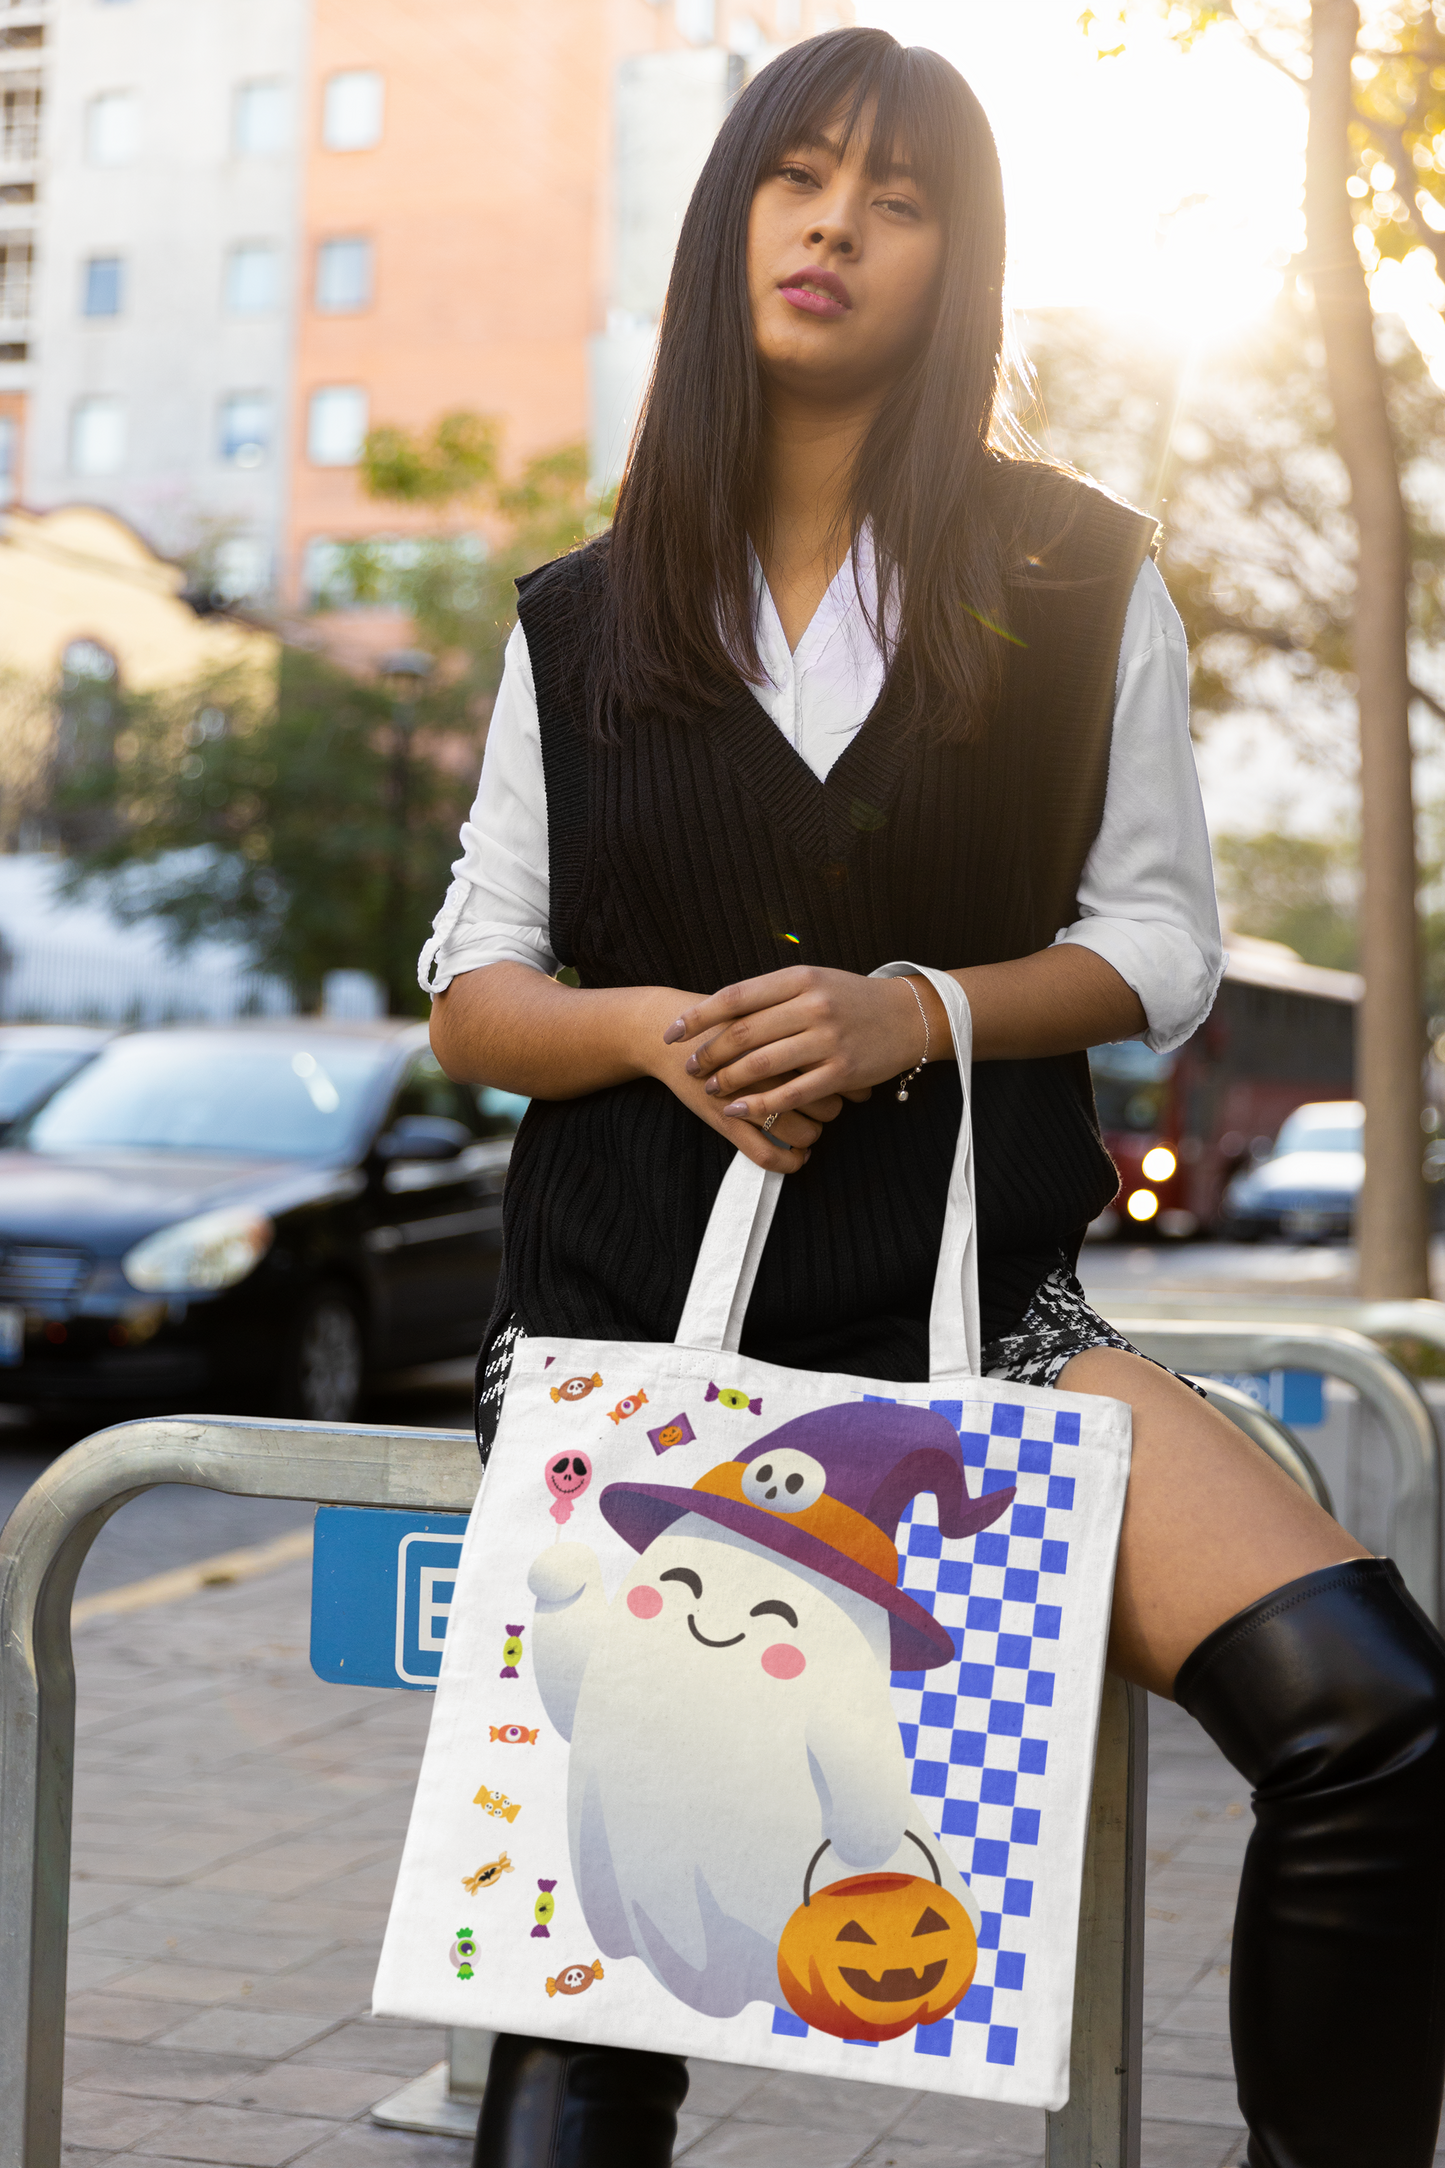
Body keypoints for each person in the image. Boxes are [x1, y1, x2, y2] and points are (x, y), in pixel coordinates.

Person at [422, 28, 1445, 2168]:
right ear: (729, 234)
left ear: (954, 263)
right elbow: (471, 987)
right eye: (797, 178)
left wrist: (916, 1013)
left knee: (1371, 1720)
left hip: (971, 1329)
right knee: (590, 1974)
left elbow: (1155, 947)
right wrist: (646, 1032)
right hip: (636, 1352)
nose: (835, 225)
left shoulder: (1081, 574)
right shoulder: (580, 613)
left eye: (898, 198)